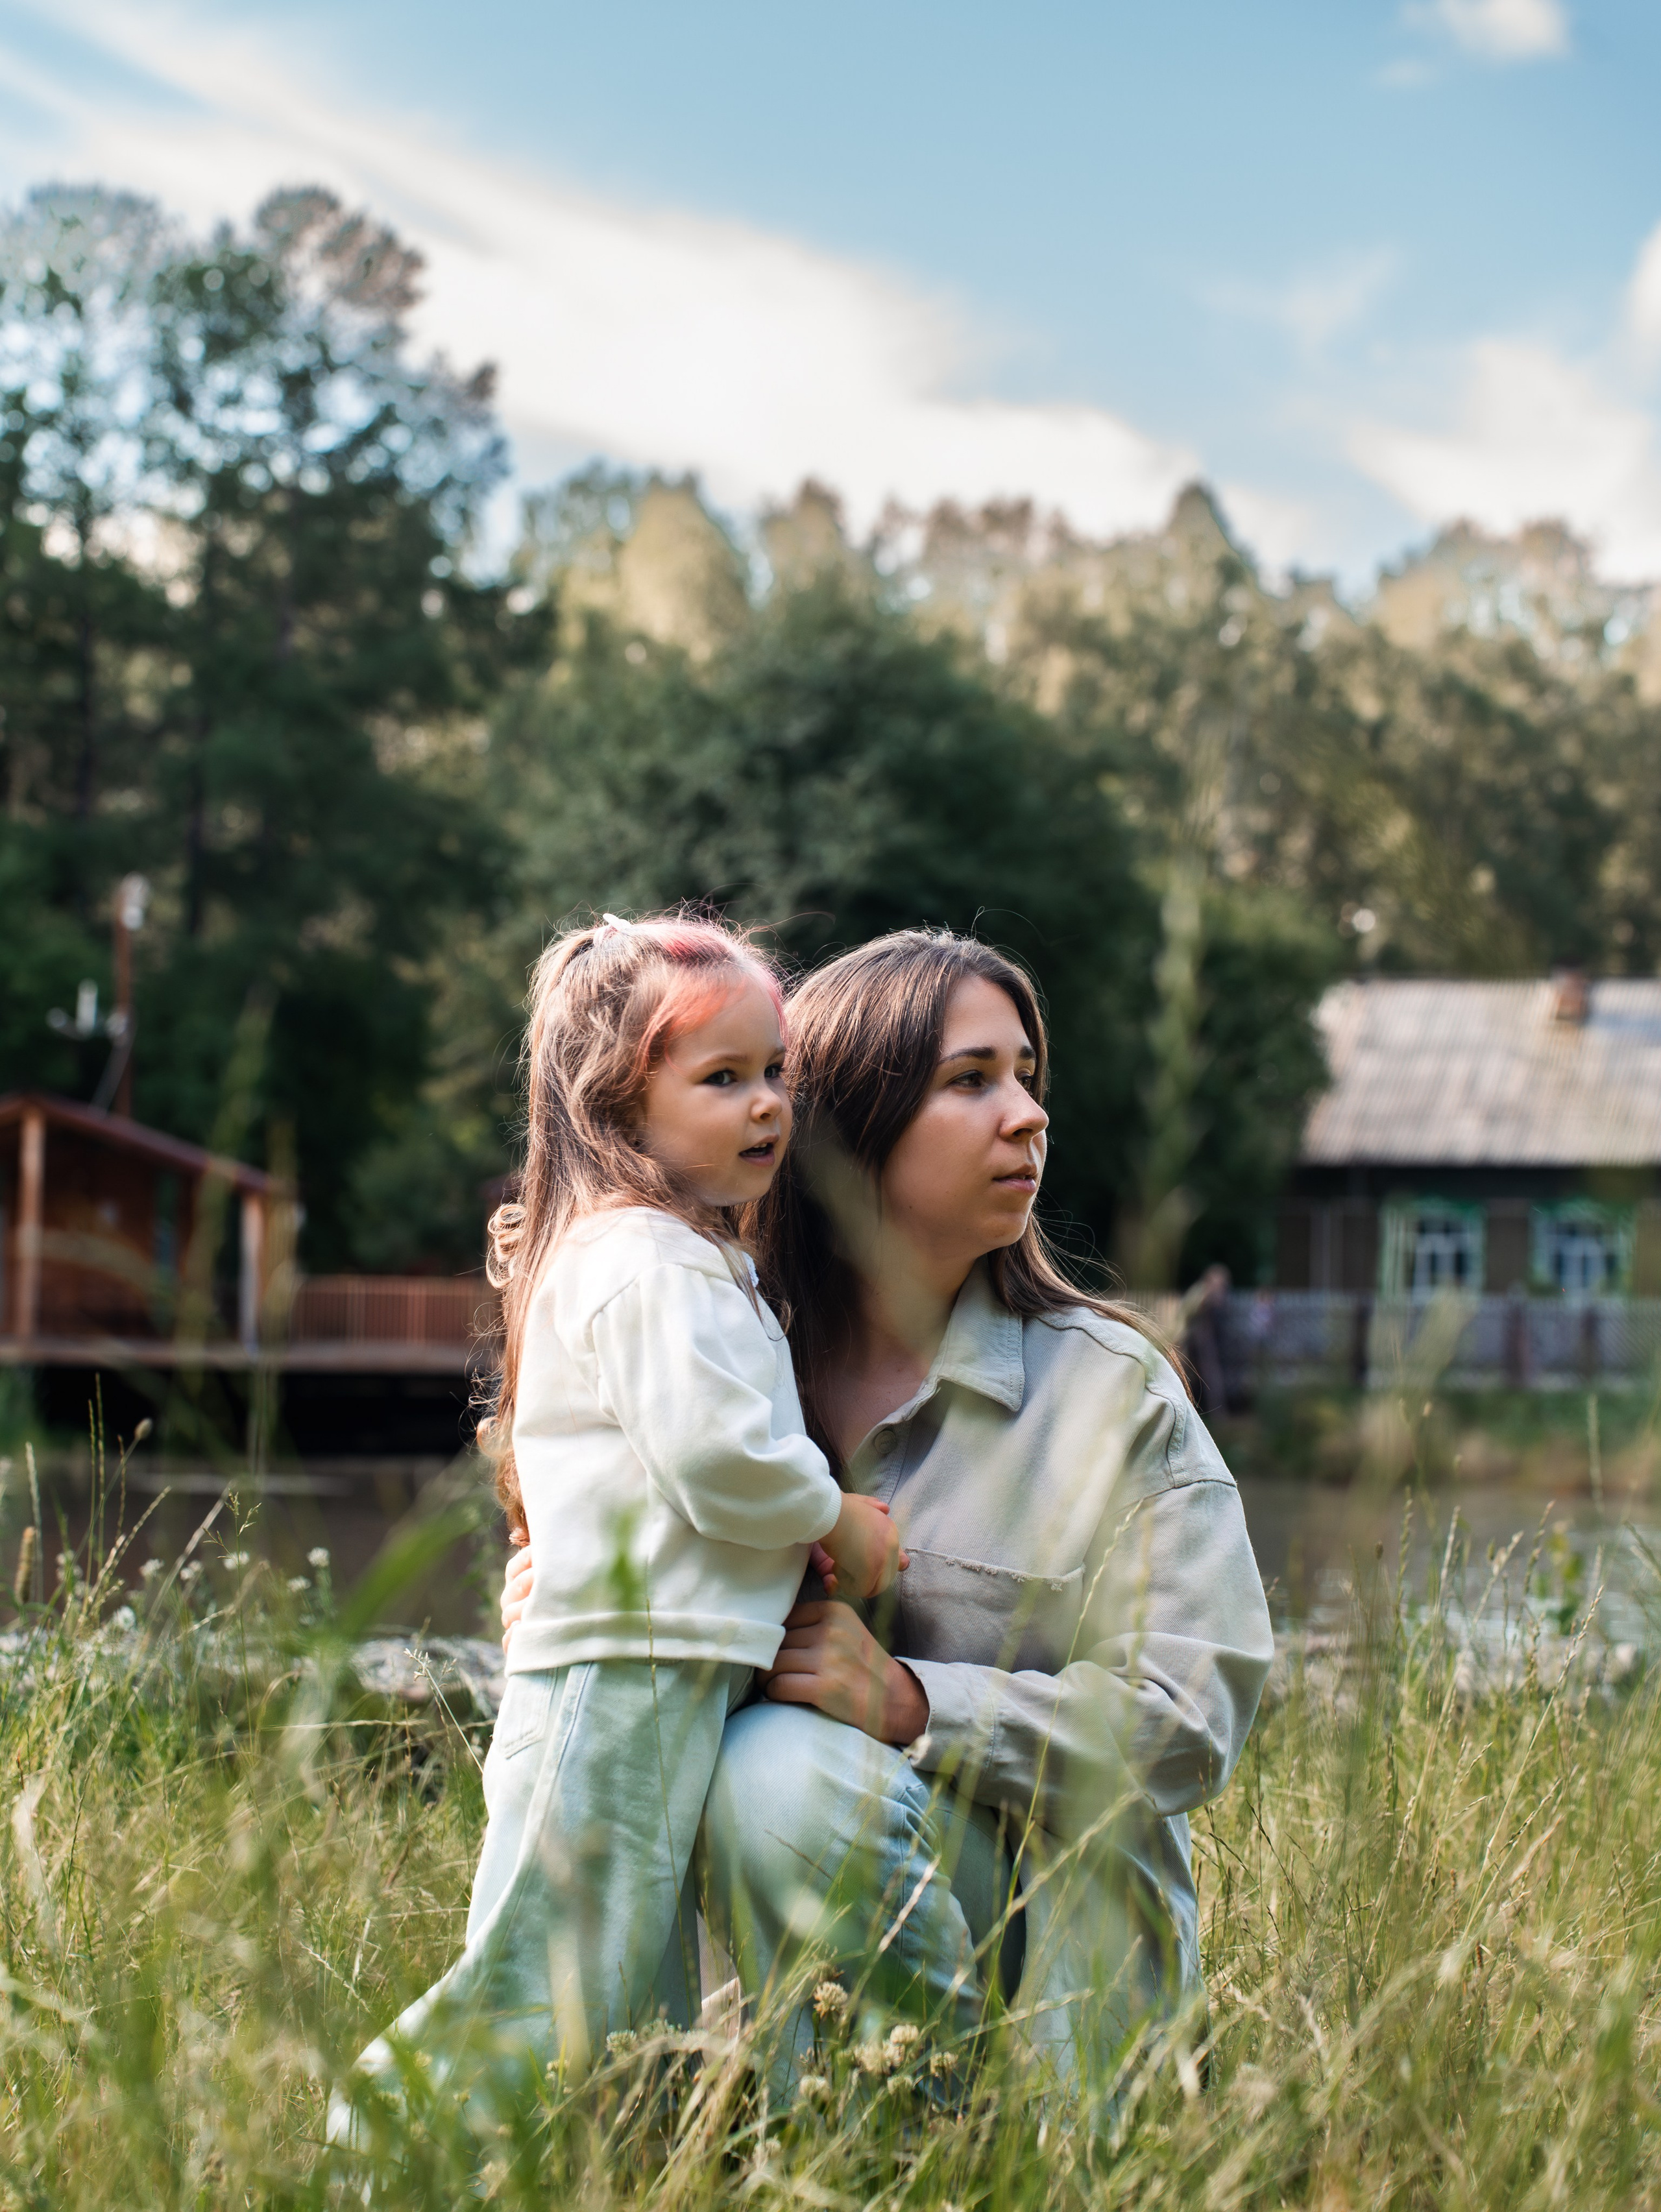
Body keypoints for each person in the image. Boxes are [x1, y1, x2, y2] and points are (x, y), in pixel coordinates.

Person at [502, 928, 1275, 2111]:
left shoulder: (1110, 1391)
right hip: (783, 1995)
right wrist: (583, 1606)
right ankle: (791, 2131)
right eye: (971, 1081)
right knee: (746, 1773)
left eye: (1027, 1077)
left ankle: (935, 2146)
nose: (1027, 1116)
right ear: (847, 1128)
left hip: (1063, 1995)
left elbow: (1193, 1723)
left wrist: (917, 1703)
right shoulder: (717, 1382)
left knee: (781, 1776)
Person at [330, 913, 902, 2137]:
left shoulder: (685, 1256)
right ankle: (382, 2143)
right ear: (617, 1105)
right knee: (552, 1970)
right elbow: (714, 1457)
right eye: (724, 1078)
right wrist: (831, 1513)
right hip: (616, 1677)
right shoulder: (640, 1258)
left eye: (776, 1075)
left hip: (666, 1668)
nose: (768, 1108)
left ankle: (607, 2165)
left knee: (637, 1989)